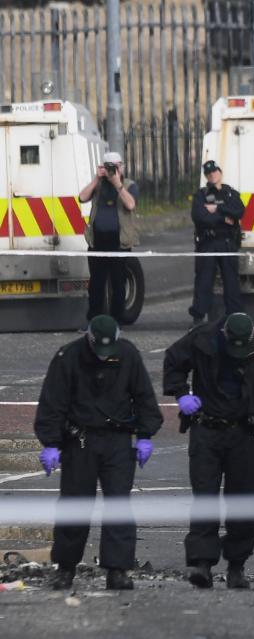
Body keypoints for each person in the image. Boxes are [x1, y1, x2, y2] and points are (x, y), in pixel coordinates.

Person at [163, 312, 254, 589]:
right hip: (207, 429)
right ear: (224, 334)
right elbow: (173, 362)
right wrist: (182, 394)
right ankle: (202, 563)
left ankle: (237, 565)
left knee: (243, 499)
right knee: (205, 496)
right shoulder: (202, 339)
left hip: (243, 431)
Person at [34, 315, 162, 591]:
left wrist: (144, 435)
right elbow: (52, 401)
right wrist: (51, 443)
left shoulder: (127, 354)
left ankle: (117, 570)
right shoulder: (68, 356)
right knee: (75, 503)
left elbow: (143, 397)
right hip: (80, 439)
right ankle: (65, 568)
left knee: (118, 505)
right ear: (89, 339)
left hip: (117, 439)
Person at [80, 151, 139, 324]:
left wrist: (117, 184)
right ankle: (94, 322)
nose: (113, 170)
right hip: (97, 241)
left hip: (119, 242)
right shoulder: (98, 185)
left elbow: (130, 204)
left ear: (122, 167)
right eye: (109, 167)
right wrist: (97, 179)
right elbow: (82, 197)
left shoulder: (129, 185)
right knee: (96, 285)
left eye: (116, 166)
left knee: (118, 284)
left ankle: (116, 321)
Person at [188, 160, 245, 326]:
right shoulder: (202, 195)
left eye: (214, 172)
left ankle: (235, 316)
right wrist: (224, 218)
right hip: (208, 242)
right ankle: (198, 316)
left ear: (220, 172)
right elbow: (200, 217)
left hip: (227, 242)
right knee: (204, 280)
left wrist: (218, 209)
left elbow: (239, 211)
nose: (212, 175)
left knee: (231, 281)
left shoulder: (230, 193)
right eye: (208, 173)